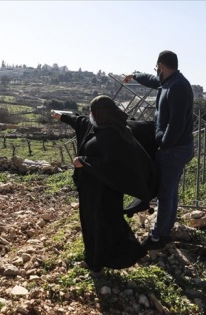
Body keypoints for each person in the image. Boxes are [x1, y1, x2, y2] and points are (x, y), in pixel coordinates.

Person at [51, 95, 151, 276]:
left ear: (99, 114)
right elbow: (79, 121)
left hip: (103, 193)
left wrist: (84, 161)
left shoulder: (115, 134)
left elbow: (113, 163)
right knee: (95, 224)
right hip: (92, 190)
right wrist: (62, 116)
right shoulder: (98, 126)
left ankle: (98, 264)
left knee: (100, 226)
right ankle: (95, 259)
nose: (89, 114)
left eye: (92, 112)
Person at [122, 50, 195, 250]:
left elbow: (177, 122)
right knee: (169, 192)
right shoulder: (169, 81)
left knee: (165, 194)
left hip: (174, 149)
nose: (156, 72)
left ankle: (158, 237)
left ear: (162, 66)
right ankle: (165, 231)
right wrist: (135, 74)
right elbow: (153, 80)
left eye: (157, 68)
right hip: (176, 147)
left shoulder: (178, 86)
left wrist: (163, 143)